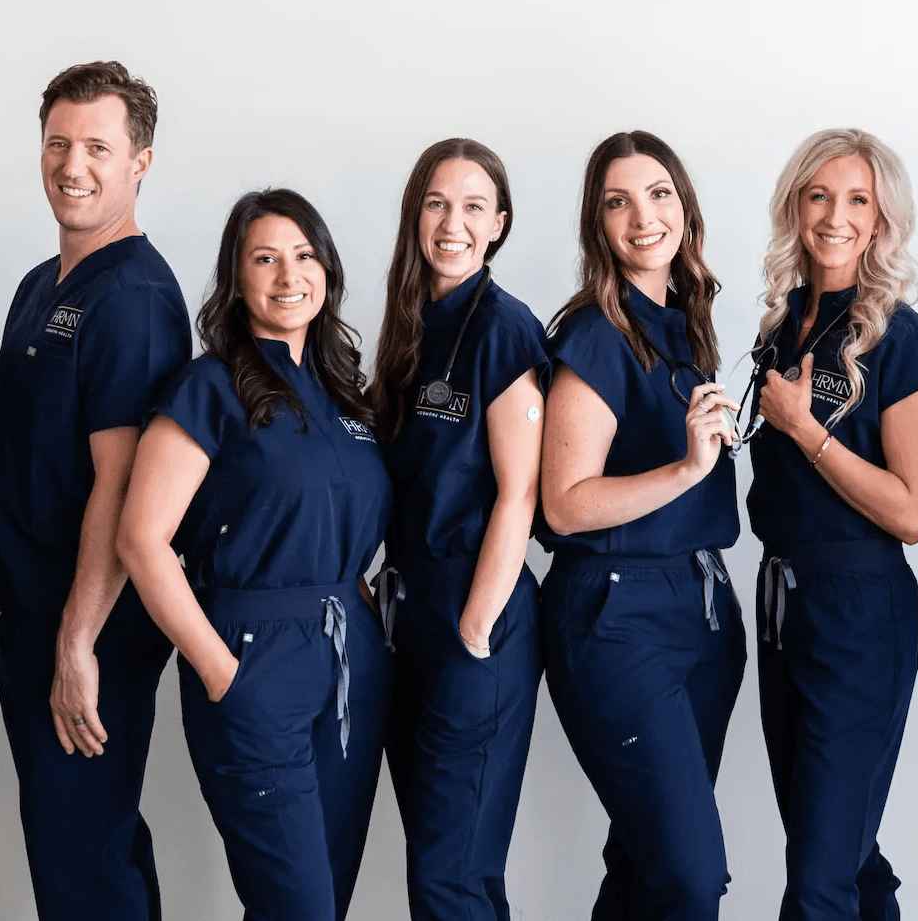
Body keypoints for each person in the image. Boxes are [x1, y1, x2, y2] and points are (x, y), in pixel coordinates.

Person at [116, 189, 392, 921]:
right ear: (236, 280)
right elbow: (140, 540)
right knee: (296, 906)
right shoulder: (208, 387)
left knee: (322, 901)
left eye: (303, 255)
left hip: (351, 665)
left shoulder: (347, 395)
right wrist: (220, 672)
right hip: (252, 659)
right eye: (263, 258)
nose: (286, 274)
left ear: (326, 269)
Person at [0, 60, 191, 920]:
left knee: (80, 868)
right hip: (35, 618)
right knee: (91, 843)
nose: (73, 165)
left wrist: (76, 646)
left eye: (98, 147)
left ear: (140, 161)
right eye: (58, 142)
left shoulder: (136, 297)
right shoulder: (42, 284)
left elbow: (122, 487)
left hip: (91, 630)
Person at [743, 129, 918, 921]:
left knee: (820, 879)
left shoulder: (901, 338)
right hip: (782, 603)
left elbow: (912, 512)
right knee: (842, 853)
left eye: (858, 199)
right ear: (794, 207)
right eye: (818, 195)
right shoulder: (782, 324)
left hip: (860, 609)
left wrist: (804, 428)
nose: (836, 215)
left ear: (882, 219)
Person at [538, 131, 746, 921]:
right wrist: (688, 469)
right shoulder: (596, 332)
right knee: (689, 873)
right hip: (617, 616)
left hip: (699, 611)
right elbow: (564, 503)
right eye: (617, 201)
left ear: (684, 206)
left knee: (647, 861)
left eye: (658, 193)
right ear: (598, 224)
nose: (642, 216)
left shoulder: (684, 323)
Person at [369, 137, 547, 920]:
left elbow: (519, 491)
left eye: (474, 206)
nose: (453, 222)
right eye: (437, 203)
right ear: (415, 216)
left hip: (476, 617)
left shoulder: (503, 329)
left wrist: (476, 626)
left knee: (450, 878)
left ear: (499, 223)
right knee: (452, 869)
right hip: (408, 623)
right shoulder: (409, 328)